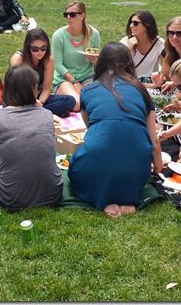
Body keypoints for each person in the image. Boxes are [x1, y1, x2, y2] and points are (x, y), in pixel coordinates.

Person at [69, 42, 163, 218]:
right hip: (136, 165)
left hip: (97, 159)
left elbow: (93, 130)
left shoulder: (88, 90)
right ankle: (127, 196)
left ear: (100, 63)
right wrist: (157, 167)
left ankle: (104, 198)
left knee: (82, 165)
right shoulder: (140, 89)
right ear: (129, 63)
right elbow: (154, 141)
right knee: (123, 160)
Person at [0, 65, 63, 210]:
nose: (39, 90)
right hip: (53, 195)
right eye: (37, 87)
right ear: (31, 89)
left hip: (10, 199)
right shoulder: (46, 114)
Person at [10, 29, 76, 117]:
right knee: (13, 109)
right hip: (19, 98)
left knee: (70, 100)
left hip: (38, 97)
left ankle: (34, 113)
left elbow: (46, 88)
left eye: (43, 48)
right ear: (28, 47)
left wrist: (40, 102)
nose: (40, 52)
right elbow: (15, 89)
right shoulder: (18, 59)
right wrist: (32, 102)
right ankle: (39, 113)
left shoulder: (48, 60)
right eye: (35, 49)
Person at [52, 1, 101, 112]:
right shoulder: (59, 35)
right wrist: (74, 82)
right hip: (64, 79)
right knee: (77, 104)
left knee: (96, 102)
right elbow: (57, 64)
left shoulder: (94, 34)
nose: (68, 17)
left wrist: (94, 60)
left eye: (72, 14)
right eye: (66, 15)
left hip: (87, 76)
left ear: (82, 15)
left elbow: (98, 61)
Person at [152, 16, 181, 92]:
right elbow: (165, 81)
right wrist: (160, 83)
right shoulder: (168, 55)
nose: (174, 37)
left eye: (180, 33)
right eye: (171, 33)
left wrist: (174, 85)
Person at [120, 10, 165, 81]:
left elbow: (167, 72)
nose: (131, 26)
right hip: (129, 82)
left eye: (135, 23)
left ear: (147, 25)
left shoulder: (160, 44)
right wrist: (128, 49)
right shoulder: (125, 42)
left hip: (151, 84)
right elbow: (116, 67)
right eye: (131, 23)